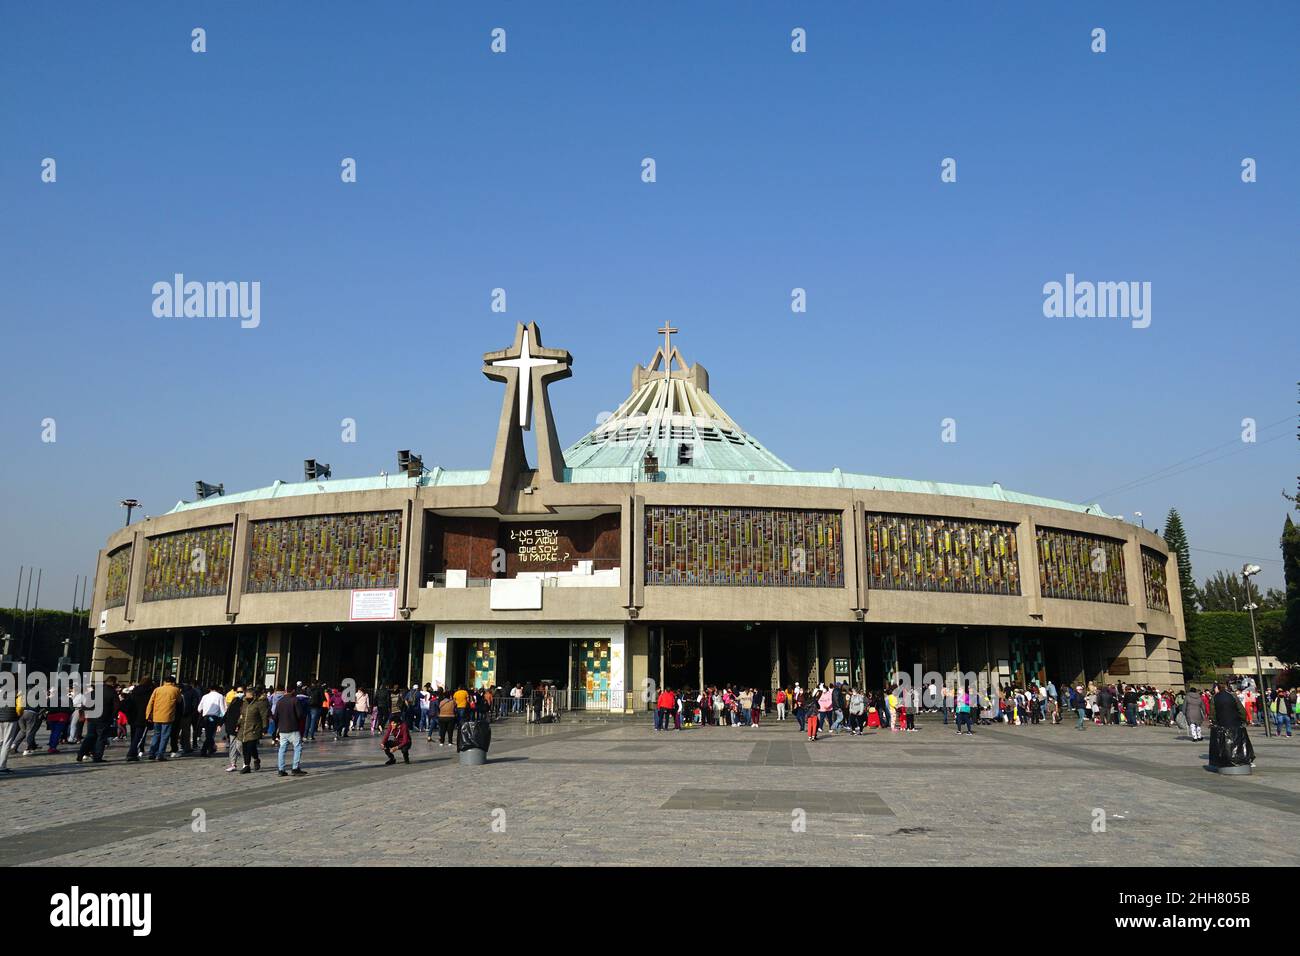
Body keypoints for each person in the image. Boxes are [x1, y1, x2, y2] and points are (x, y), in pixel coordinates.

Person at [75, 677, 119, 764]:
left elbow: (86, 703)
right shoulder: (112, 692)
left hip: (92, 717)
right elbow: (116, 707)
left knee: (90, 736)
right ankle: (97, 756)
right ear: (113, 683)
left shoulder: (95, 691)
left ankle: (80, 754)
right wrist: (112, 717)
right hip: (104, 718)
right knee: (101, 737)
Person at [144, 676, 184, 761]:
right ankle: (160, 754)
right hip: (168, 716)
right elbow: (179, 701)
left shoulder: (157, 689)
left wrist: (148, 714)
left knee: (156, 734)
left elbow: (150, 702)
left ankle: (152, 752)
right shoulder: (175, 690)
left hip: (156, 716)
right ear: (173, 682)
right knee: (164, 736)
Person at [273, 687, 307, 777]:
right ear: (293, 690)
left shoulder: (280, 701)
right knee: (298, 748)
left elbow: (275, 716)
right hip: (293, 728)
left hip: (282, 729)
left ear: (285, 691)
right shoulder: (295, 700)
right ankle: (295, 768)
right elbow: (300, 715)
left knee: (282, 749)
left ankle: (281, 769)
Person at [236, 687, 269, 774]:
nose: (247, 697)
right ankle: (252, 761)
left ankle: (247, 765)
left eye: (249, 695)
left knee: (250, 747)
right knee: (246, 747)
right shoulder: (244, 704)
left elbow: (264, 716)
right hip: (244, 728)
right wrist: (238, 724)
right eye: (246, 695)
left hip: (254, 728)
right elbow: (241, 715)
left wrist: (265, 727)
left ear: (253, 696)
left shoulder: (259, 704)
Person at [196, 685, 226, 757]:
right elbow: (222, 709)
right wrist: (224, 717)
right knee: (210, 735)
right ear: (218, 689)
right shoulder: (220, 696)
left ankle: (211, 748)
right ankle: (204, 750)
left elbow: (199, 708)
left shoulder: (205, 696)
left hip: (205, 717)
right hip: (214, 717)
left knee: (208, 734)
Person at [223, 689, 245, 773]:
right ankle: (233, 764)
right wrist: (220, 723)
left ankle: (246, 761)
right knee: (232, 746)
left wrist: (238, 725)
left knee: (239, 745)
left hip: (240, 728)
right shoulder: (233, 703)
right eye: (238, 692)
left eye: (241, 692)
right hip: (232, 728)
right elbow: (226, 714)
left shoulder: (245, 704)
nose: (239, 693)